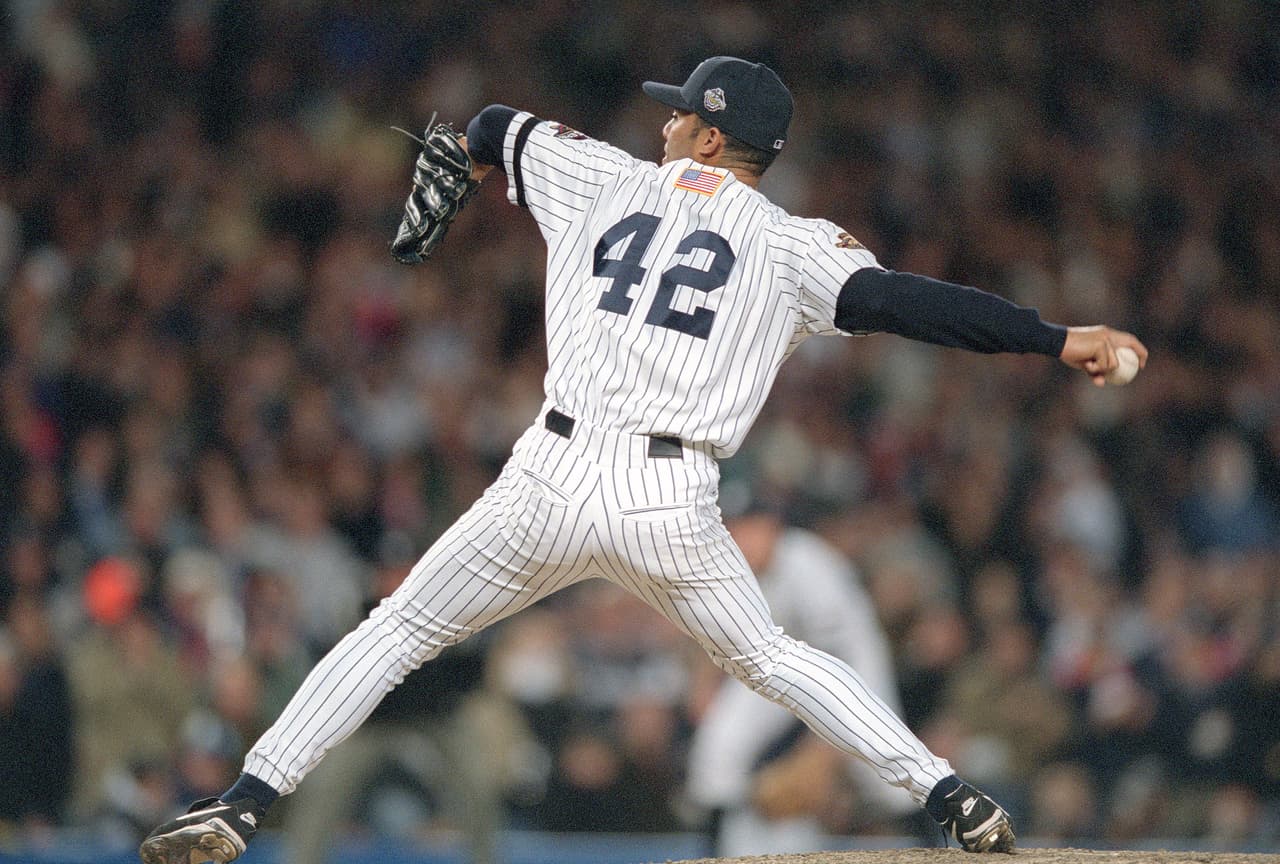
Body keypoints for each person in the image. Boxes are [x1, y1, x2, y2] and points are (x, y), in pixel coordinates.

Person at [139, 56, 1148, 863]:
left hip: (547, 474)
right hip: (668, 497)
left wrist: (458, 155)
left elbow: (492, 120)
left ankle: (242, 802)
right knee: (769, 660)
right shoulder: (793, 244)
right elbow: (914, 304)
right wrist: (1054, 337)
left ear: (710, 134)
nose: (661, 123)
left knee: (398, 628)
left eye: (678, 114)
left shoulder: (601, 177)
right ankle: (946, 792)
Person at [684, 500, 921, 855]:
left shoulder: (808, 563)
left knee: (885, 770)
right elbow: (714, 628)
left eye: (750, 528)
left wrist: (821, 750)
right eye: (734, 528)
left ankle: (934, 846)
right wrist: (704, 683)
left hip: (851, 665)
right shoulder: (730, 567)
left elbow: (836, 664)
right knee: (719, 747)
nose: (740, 538)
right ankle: (711, 855)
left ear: (772, 528)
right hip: (775, 663)